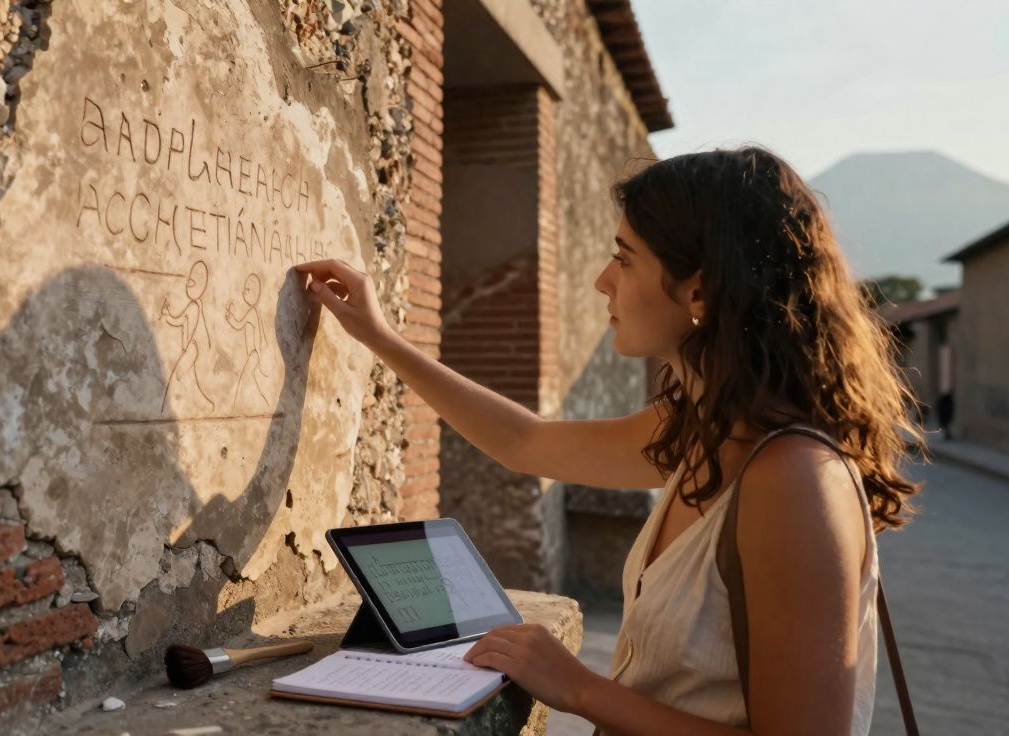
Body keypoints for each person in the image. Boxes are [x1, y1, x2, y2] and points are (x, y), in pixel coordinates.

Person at [295, 146, 923, 735]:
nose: (602, 279)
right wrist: (381, 339)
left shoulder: (793, 479)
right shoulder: (703, 433)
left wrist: (578, 687)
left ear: (698, 289)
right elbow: (526, 443)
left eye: (624, 258)